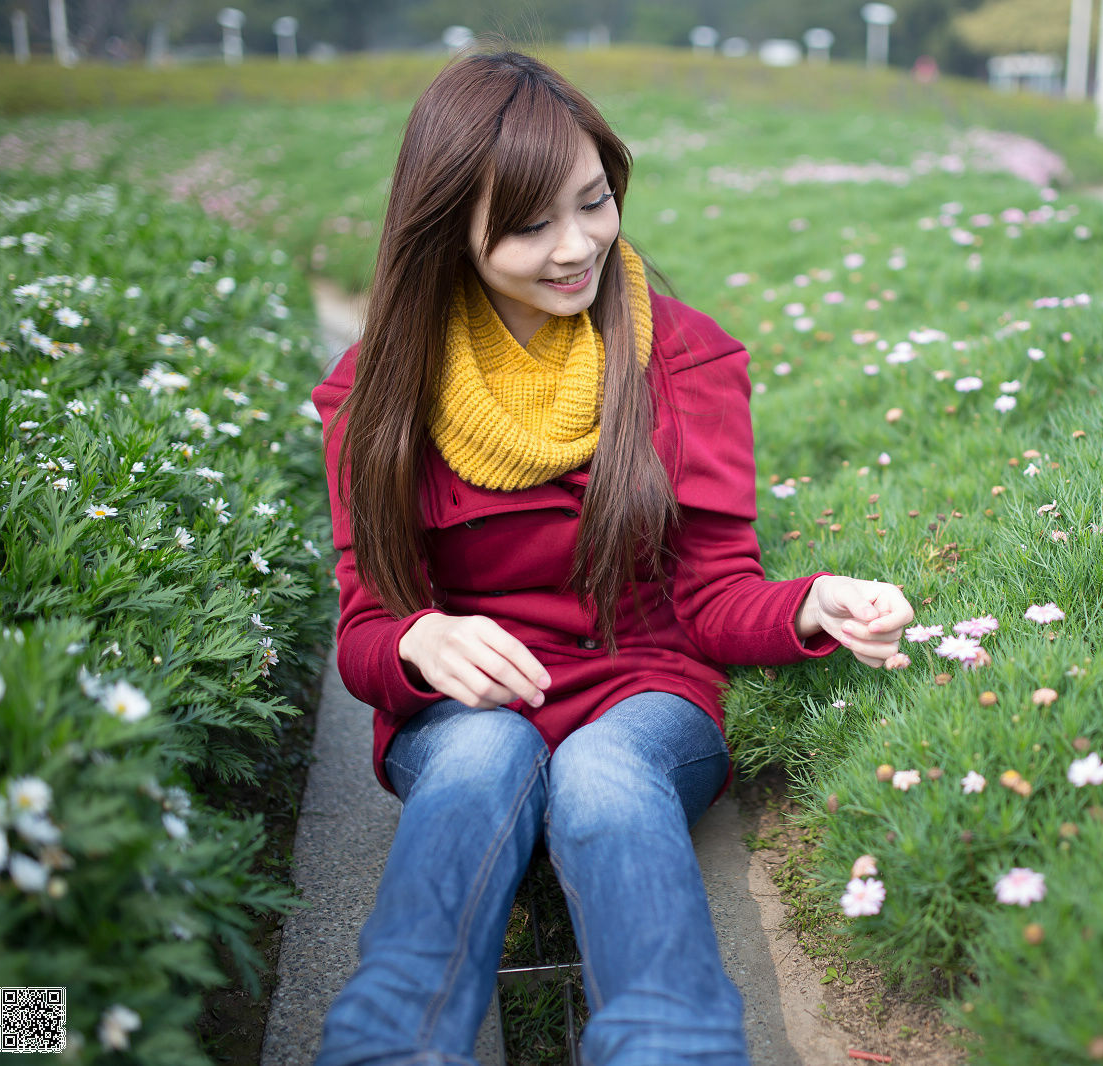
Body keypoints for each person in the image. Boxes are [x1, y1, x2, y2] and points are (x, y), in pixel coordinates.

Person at [310, 49, 914, 1066]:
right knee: (476, 759)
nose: (576, 245)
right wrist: (421, 639)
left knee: (603, 774)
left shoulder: (684, 357)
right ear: (446, 226)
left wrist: (812, 605)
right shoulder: (377, 391)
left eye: (595, 203)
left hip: (645, 689)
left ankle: (673, 1046)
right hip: (467, 711)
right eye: (530, 224)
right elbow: (363, 635)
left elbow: (715, 594)